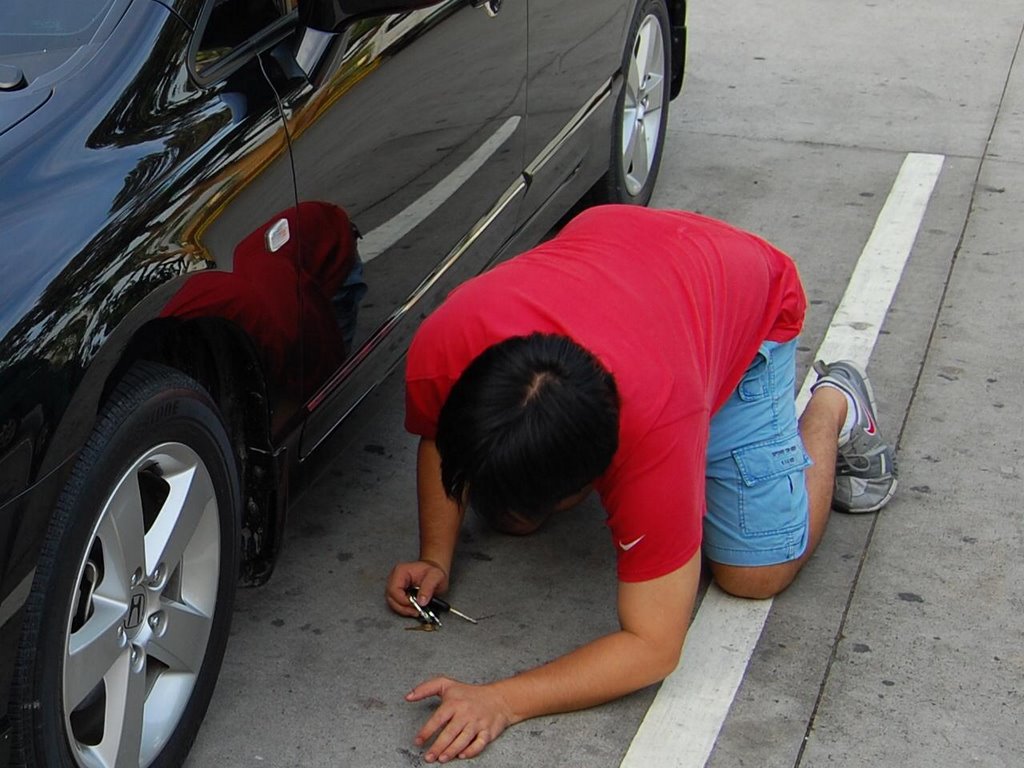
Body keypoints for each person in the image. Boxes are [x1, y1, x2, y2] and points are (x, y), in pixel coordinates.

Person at [385, 205, 897, 763]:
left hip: (744, 294)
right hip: (623, 250)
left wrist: (505, 700)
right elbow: (441, 437)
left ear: (599, 476)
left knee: (756, 573)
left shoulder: (658, 430)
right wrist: (435, 554)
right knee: (512, 519)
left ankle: (833, 402)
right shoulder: (446, 345)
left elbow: (653, 647)